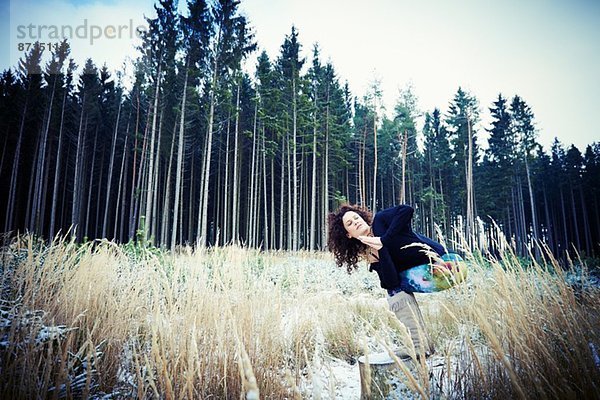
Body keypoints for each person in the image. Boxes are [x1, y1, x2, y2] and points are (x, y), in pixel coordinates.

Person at [327, 203, 448, 360]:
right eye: (350, 223)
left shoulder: (380, 221)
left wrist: (384, 239)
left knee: (395, 293)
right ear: (348, 234)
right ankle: (421, 344)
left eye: (356, 218)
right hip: (423, 272)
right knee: (394, 294)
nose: (355, 222)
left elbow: (406, 210)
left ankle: (420, 346)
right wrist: (381, 249)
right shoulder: (369, 253)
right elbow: (390, 281)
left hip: (443, 262)